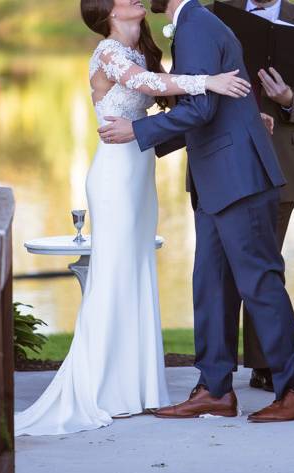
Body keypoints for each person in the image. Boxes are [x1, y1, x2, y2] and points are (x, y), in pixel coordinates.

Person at [14, 0, 253, 436]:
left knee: (138, 270)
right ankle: (102, 389)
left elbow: (166, 99)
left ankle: (138, 388)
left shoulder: (142, 50)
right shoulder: (109, 51)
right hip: (113, 174)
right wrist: (211, 81)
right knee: (114, 272)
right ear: (108, 12)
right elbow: (148, 84)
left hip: (140, 172)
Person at [98, 0, 294, 422]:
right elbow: (209, 104)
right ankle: (214, 389)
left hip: (238, 178)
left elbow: (199, 108)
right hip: (218, 180)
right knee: (210, 286)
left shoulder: (196, 26)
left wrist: (138, 130)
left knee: (260, 284)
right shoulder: (195, 23)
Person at [213, 0, 294, 392]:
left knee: (264, 265)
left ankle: (266, 364)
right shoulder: (218, 16)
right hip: (223, 159)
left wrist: (287, 100)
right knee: (220, 269)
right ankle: (216, 369)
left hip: (281, 164)